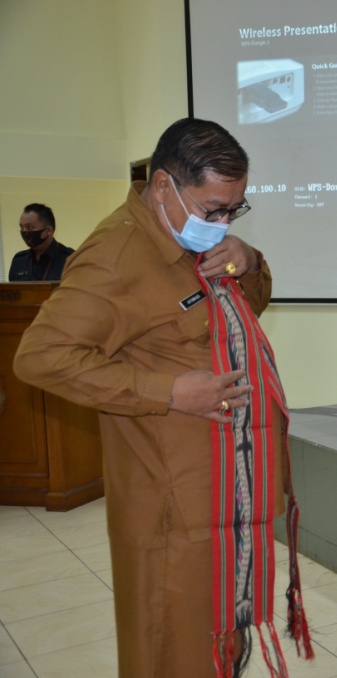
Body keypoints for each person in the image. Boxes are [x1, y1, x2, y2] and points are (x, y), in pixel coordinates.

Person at [13, 118, 312, 678]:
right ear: (161, 188)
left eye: (234, 211)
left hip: (221, 496)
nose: (221, 222)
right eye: (213, 209)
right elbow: (40, 356)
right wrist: (167, 391)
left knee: (213, 653)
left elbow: (241, 314)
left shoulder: (187, 236)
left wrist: (250, 260)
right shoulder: (116, 256)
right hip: (170, 509)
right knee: (168, 654)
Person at [9, 203, 75, 281]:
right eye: (21, 227)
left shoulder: (70, 259)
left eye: (30, 227)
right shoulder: (19, 261)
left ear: (48, 230)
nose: (24, 231)